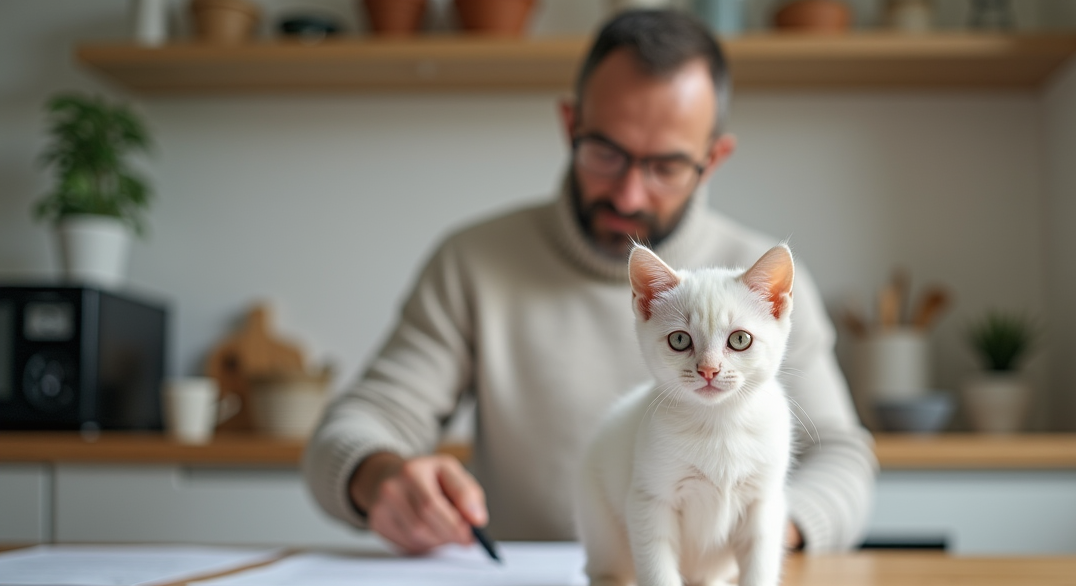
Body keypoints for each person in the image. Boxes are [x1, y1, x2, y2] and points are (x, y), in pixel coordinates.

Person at [303, 9, 877, 556]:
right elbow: (357, 424)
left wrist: (760, 537)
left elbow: (844, 457)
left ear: (714, 158)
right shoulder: (473, 262)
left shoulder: (756, 282)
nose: (629, 194)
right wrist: (378, 477)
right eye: (606, 151)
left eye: (666, 166)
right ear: (570, 124)